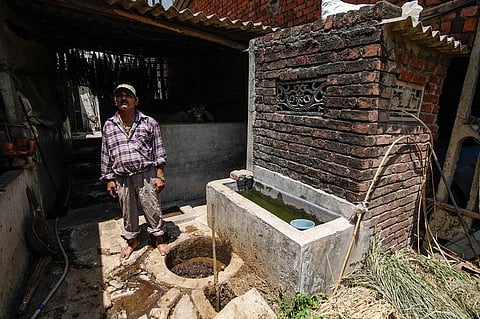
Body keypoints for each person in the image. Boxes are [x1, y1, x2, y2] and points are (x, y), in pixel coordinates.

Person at [100, 83, 170, 259]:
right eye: (119, 95)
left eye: (128, 95)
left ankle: (159, 239)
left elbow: (159, 150)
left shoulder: (149, 123)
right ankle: (133, 240)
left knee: (152, 207)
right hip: (122, 177)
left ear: (136, 101)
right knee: (128, 211)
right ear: (115, 101)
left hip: (146, 174)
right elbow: (106, 153)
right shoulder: (109, 125)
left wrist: (160, 175)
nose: (123, 98)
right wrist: (109, 179)